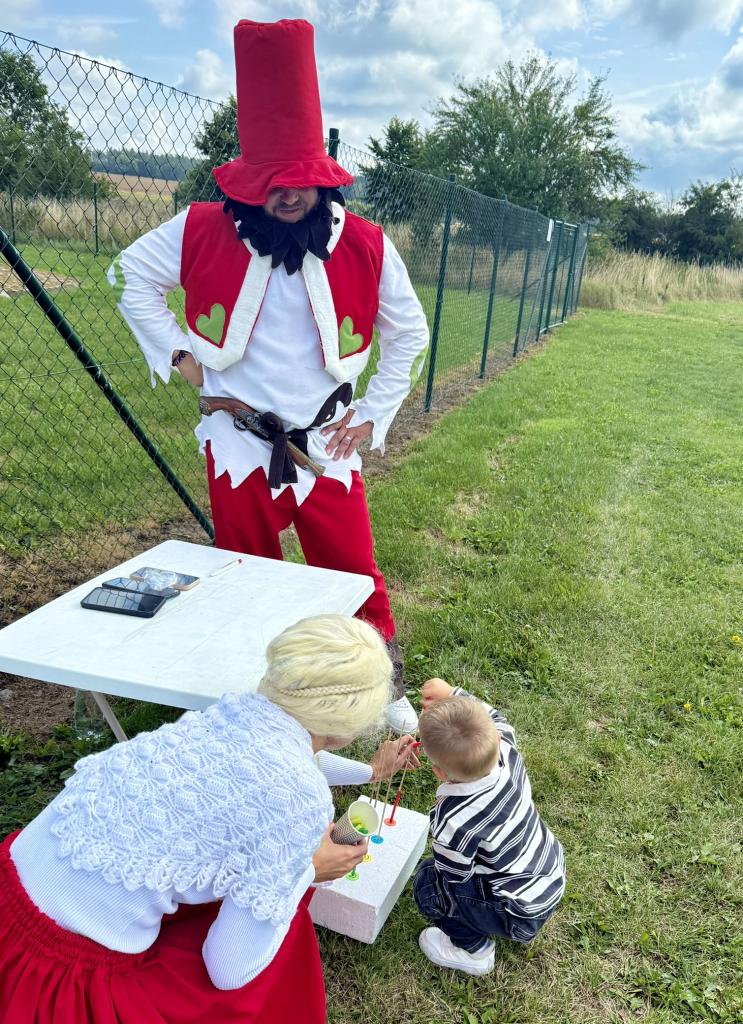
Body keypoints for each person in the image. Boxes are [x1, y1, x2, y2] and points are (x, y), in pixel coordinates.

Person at [108, 18, 429, 734]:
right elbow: (129, 277)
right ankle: (254, 694)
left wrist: (373, 412)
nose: (286, 195)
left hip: (326, 444)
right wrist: (181, 358)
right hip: (239, 439)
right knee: (244, 574)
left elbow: (409, 332)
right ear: (250, 181)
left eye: (298, 181)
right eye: (272, 182)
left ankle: (383, 685)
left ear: (321, 176)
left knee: (353, 572)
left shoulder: (366, 244)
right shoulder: (201, 228)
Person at [0, 615, 419, 1024]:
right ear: (348, 727)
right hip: (58, 981)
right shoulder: (301, 799)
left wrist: (369, 772)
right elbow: (228, 970)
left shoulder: (234, 711)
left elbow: (292, 760)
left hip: (12, 895)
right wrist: (308, 870)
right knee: (280, 928)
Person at [412, 678, 566, 976]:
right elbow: (494, 715)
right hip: (550, 875)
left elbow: (454, 876)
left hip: (518, 912)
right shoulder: (506, 745)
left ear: (439, 772)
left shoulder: (453, 820)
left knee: (429, 882)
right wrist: (453, 693)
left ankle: (475, 951)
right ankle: (495, 918)